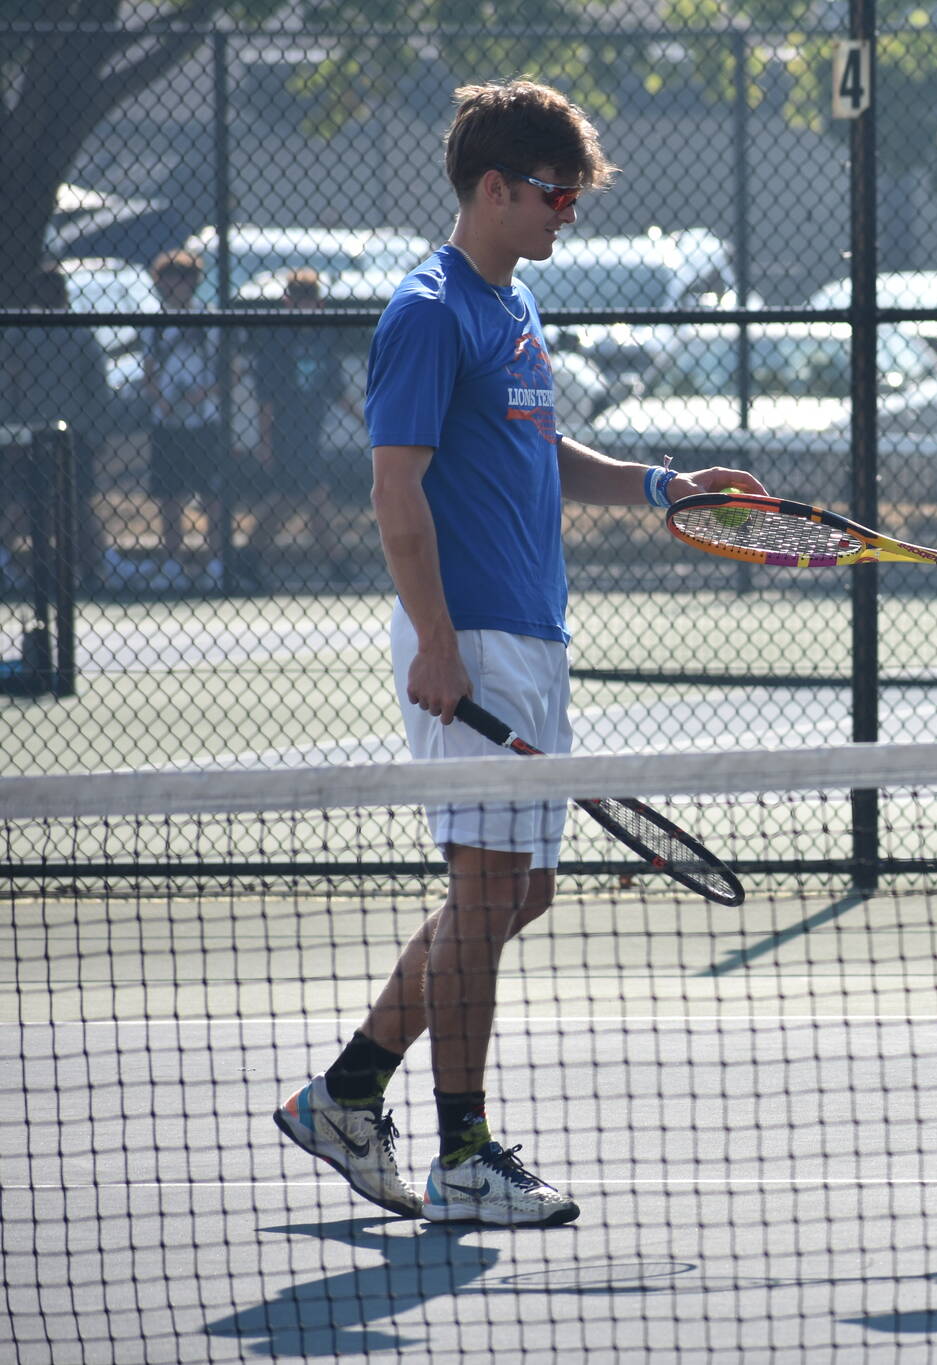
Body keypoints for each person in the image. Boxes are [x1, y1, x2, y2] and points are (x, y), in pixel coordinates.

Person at [273, 78, 764, 1228]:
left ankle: (346, 1094)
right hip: (471, 640)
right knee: (486, 890)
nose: (567, 216)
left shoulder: (514, 310)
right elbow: (396, 489)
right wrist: (436, 641)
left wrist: (660, 486)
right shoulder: (429, 310)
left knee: (516, 892)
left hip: (530, 639)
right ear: (491, 188)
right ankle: (462, 1153)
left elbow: (543, 455)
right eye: (554, 195)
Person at [0, 263, 110, 591]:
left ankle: (90, 567)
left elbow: (97, 387)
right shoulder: (20, 333)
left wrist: (94, 432)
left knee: (70, 503)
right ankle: (66, 567)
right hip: (32, 434)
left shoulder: (75, 332)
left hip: (62, 434)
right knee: (34, 501)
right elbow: (8, 383)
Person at [247, 269, 358, 588]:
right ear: (287, 302)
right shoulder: (277, 339)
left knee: (290, 500)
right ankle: (337, 564)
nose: (305, 307)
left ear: (319, 304)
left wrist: (364, 418)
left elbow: (336, 389)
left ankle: (249, 557)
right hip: (285, 432)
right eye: (298, 301)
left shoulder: (323, 338)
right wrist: (265, 441)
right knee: (314, 497)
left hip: (311, 431)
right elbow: (265, 398)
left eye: (311, 301)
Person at [140, 249, 228, 593]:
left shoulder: (209, 321)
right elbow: (148, 371)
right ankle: (173, 562)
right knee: (170, 496)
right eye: (169, 277)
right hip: (167, 422)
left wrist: (202, 394)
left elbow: (227, 372)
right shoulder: (156, 324)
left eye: (184, 277)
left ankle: (217, 562)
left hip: (204, 422)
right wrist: (162, 401)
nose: (176, 284)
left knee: (211, 495)